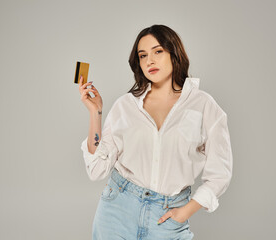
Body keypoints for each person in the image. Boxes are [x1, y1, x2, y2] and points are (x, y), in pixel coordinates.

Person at [78, 24, 233, 240]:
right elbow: (96, 170)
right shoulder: (126, 105)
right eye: (142, 56)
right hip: (117, 211)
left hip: (168, 217)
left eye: (158, 51)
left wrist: (186, 211)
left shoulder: (203, 105)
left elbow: (220, 173)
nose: (149, 61)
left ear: (174, 53)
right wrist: (96, 112)